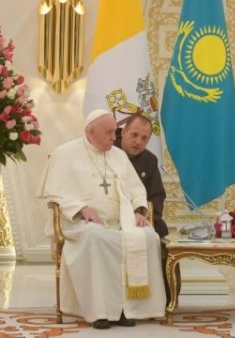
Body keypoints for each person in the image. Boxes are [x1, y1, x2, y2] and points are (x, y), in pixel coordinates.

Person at [37, 109, 166, 329]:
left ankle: (128, 309)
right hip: (81, 223)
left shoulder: (118, 156)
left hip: (120, 221)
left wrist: (139, 210)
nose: (114, 138)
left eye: (115, 132)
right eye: (109, 133)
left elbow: (136, 189)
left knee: (148, 237)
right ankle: (100, 312)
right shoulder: (65, 153)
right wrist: (82, 209)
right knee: (96, 237)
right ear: (91, 132)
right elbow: (55, 193)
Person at [114, 114, 171, 303]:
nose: (138, 141)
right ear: (123, 132)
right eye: (134, 135)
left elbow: (157, 195)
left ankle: (163, 299)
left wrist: (147, 215)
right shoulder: (109, 152)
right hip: (115, 215)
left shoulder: (150, 160)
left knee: (161, 232)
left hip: (141, 215)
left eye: (144, 138)